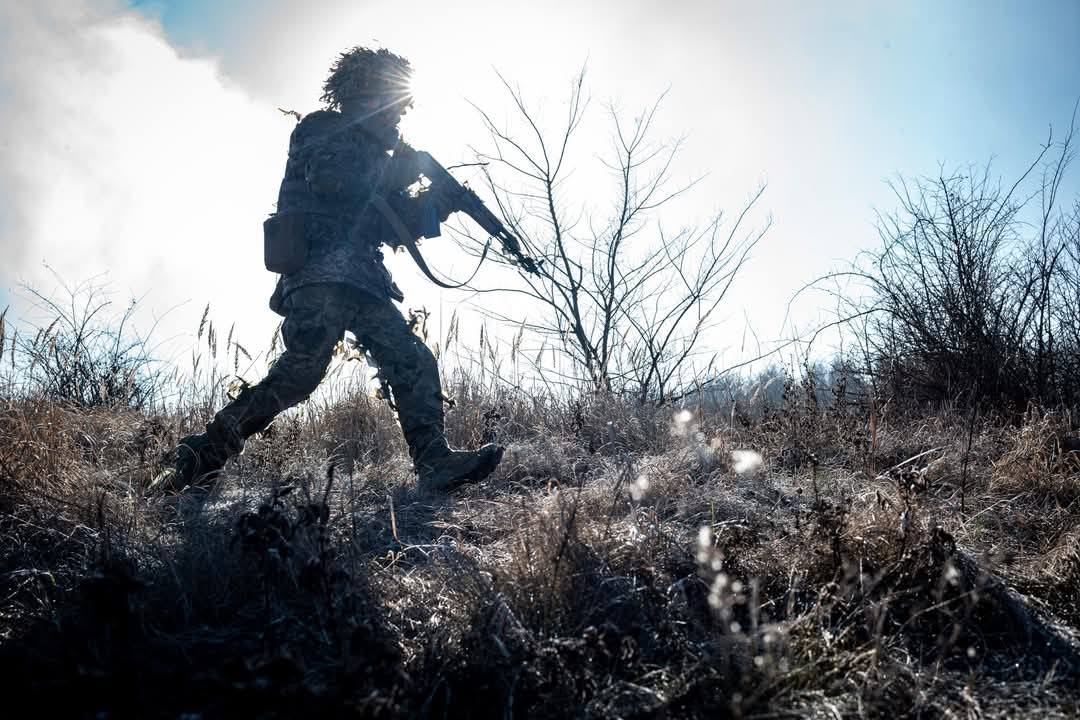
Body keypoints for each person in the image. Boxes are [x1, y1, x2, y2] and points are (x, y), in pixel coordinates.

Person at [158, 47, 503, 494]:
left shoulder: (382, 152)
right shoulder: (322, 128)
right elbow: (335, 180)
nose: (397, 115)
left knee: (411, 358)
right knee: (302, 372)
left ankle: (434, 461)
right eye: (390, 103)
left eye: (401, 108)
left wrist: (439, 205)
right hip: (319, 270)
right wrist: (401, 167)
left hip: (362, 278)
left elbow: (391, 222)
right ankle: (203, 453)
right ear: (363, 94)